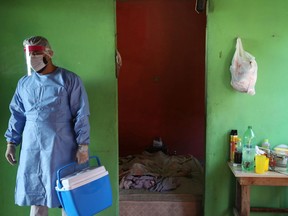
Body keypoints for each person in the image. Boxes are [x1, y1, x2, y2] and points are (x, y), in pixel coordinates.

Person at [4, 36, 91, 216]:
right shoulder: (24, 84)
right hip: (32, 148)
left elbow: (81, 113)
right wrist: (11, 143)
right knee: (36, 197)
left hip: (62, 147)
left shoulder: (69, 80)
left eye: (36, 53)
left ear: (49, 53)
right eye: (29, 54)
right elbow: (17, 114)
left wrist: (83, 145)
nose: (32, 58)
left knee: (67, 195)